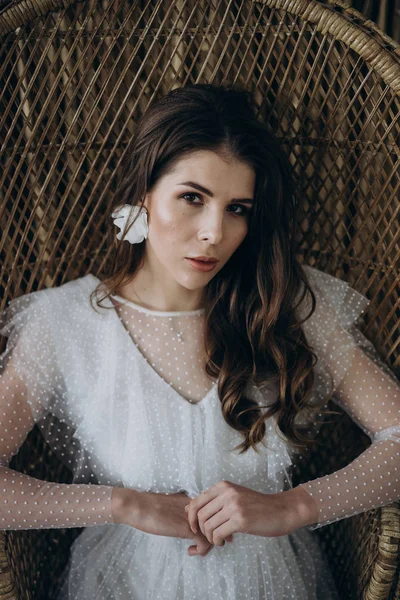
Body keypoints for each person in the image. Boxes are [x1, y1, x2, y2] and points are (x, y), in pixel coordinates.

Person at [0, 83, 399, 600]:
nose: (215, 231)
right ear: (144, 193)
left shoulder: (288, 304)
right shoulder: (64, 324)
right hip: (121, 586)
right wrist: (122, 504)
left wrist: (293, 506)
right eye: (193, 198)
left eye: (238, 209)